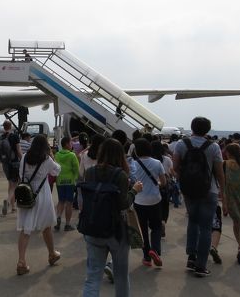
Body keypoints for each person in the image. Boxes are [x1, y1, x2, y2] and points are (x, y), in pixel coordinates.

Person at [82, 138, 143, 297]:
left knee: (93, 277)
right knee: (121, 276)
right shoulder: (121, 175)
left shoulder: (90, 172)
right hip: (117, 231)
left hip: (93, 227)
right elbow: (123, 204)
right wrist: (134, 190)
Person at [173, 116, 225, 277]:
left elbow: (175, 167)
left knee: (193, 222)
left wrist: (187, 180)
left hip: (189, 191)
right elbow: (219, 172)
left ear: (192, 127)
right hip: (209, 191)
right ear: (208, 130)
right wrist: (223, 189)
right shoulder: (214, 147)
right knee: (206, 227)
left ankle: (191, 256)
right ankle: (201, 265)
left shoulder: (182, 144)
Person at [16, 135, 61, 275]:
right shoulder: (46, 160)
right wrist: (51, 155)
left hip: (26, 195)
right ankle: (52, 254)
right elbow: (57, 170)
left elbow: (20, 174)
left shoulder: (24, 157)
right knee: (46, 226)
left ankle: (21, 261)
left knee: (26, 229)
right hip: (41, 195)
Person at [131, 138, 166, 267]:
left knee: (143, 228)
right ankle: (155, 250)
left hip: (139, 200)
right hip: (155, 200)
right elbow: (164, 182)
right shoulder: (157, 163)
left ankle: (146, 257)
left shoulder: (133, 164)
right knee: (156, 227)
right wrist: (157, 184)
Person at [0, 120, 22, 215]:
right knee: (14, 185)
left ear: (4, 127)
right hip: (14, 163)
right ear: (11, 126)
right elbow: (18, 151)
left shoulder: (1, 137)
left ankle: (13, 207)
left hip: (5, 164)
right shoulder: (14, 136)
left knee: (11, 184)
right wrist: (23, 160)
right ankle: (7, 201)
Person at [54, 136, 80, 231]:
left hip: (59, 181)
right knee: (69, 203)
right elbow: (76, 169)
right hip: (70, 182)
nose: (72, 144)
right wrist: (76, 179)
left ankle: (58, 218)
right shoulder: (72, 155)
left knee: (61, 201)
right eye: (70, 143)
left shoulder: (57, 155)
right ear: (66, 144)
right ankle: (67, 224)